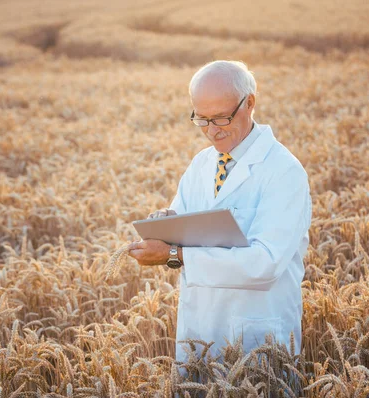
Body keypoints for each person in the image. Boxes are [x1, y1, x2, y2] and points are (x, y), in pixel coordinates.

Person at [127, 60, 312, 363]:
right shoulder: (201, 164)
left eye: (222, 118)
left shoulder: (284, 171)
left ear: (249, 103)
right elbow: (182, 224)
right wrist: (165, 223)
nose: (212, 131)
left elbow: (265, 264)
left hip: (257, 338)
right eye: (202, 120)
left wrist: (174, 254)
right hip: (199, 330)